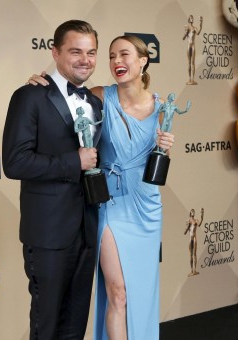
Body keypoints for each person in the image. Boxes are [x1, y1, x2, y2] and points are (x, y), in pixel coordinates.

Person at [28, 34, 176, 340]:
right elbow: (62, 106)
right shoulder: (98, 96)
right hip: (109, 201)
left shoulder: (162, 107)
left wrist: (166, 147)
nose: (117, 62)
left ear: (143, 60)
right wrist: (41, 87)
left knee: (141, 292)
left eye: (124, 55)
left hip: (146, 205)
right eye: (111, 56)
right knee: (117, 291)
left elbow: (155, 162)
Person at [2, 20, 103, 340]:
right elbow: (15, 162)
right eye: (75, 51)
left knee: (75, 326)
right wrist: (74, 161)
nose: (84, 59)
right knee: (45, 326)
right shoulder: (29, 97)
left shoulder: (96, 102)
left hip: (87, 230)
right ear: (55, 53)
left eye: (91, 52)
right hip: (47, 233)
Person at [183, 15, 202, 85]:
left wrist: (201, 24)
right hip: (189, 45)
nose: (192, 19)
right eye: (191, 18)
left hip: (193, 45)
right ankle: (189, 79)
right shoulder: (187, 27)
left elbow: (198, 32)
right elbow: (183, 38)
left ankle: (192, 79)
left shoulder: (194, 28)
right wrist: (186, 32)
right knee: (189, 63)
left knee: (193, 63)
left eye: (193, 18)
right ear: (189, 19)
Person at [185, 208, 204, 276]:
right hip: (190, 238)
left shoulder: (196, 220)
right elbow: (185, 232)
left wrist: (202, 216)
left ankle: (195, 270)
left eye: (194, 211)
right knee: (190, 255)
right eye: (192, 211)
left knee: (195, 254)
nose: (193, 212)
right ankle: (191, 271)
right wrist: (187, 227)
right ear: (190, 213)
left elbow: (200, 224)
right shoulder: (188, 220)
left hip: (195, 238)